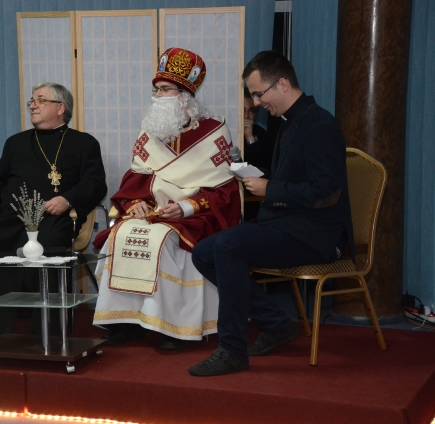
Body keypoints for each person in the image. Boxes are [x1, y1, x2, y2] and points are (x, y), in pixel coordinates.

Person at [188, 50, 355, 376]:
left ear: (282, 84)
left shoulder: (319, 124)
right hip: (290, 224)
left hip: (317, 234)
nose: (256, 102)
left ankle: (232, 350)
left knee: (228, 245)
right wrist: (256, 176)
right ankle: (275, 323)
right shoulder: (291, 122)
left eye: (258, 93)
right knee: (204, 252)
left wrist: (270, 188)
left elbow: (327, 193)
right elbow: (293, 181)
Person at [92, 48, 241, 351]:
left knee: (161, 241)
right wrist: (134, 204)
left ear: (185, 96)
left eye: (165, 89)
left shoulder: (214, 131)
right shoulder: (151, 131)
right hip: (155, 212)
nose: (158, 96)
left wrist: (185, 207)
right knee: (120, 234)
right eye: (156, 90)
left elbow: (225, 190)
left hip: (196, 217)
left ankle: (175, 328)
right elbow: (136, 180)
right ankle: (126, 322)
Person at [0, 82, 107, 343]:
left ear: (60, 108)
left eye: (40, 100)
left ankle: (47, 333)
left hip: (53, 216)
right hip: (11, 216)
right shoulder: (16, 142)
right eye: (31, 101)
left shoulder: (84, 143)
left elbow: (96, 183)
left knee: (49, 242)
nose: (32, 105)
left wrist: (67, 199)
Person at [242, 86, 276, 221]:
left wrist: (250, 139)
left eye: (252, 111)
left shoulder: (262, 135)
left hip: (253, 197)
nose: (246, 116)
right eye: (243, 110)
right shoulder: (222, 131)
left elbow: (265, 168)